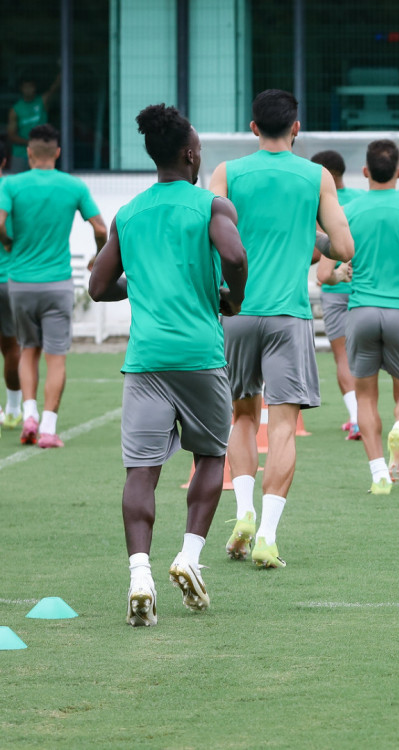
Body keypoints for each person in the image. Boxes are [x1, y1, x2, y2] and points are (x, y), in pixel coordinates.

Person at [88, 103, 248, 626]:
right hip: (200, 356)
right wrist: (232, 299)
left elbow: (97, 286)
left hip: (146, 360)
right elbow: (236, 259)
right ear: (190, 153)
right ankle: (189, 557)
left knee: (142, 470)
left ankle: (140, 576)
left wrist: (144, 284)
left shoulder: (129, 213)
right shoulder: (211, 206)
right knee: (211, 457)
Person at [209, 89, 354, 569]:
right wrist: (304, 235)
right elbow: (344, 247)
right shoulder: (317, 176)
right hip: (288, 315)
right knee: (285, 424)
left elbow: (207, 237)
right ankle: (267, 536)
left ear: (252, 128)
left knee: (243, 418)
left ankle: (243, 512)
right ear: (296, 128)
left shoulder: (226, 173)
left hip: (236, 311)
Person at [326, 140, 399, 494]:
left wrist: (342, 274)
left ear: (365, 172)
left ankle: (378, 475)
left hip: (360, 313)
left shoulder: (349, 211)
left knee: (366, 398)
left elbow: (324, 274)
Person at [0, 123, 106, 448]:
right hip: (57, 282)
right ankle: (48, 428)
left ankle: (28, 413)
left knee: (27, 350)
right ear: (57, 153)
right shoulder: (73, 185)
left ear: (28, 153)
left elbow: (0, 223)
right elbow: (101, 228)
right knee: (56, 357)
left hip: (19, 283)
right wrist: (97, 257)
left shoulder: (12, 185)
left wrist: (8, 243)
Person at [310, 149, 366, 440]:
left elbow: (317, 253)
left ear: (327, 176)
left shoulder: (320, 205)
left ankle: (357, 419)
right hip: (363, 289)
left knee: (343, 358)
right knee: (365, 358)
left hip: (335, 288)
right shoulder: (361, 198)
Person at [0, 140, 22, 429]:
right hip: (8, 280)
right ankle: (14, 409)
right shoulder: (11, 190)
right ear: (5, 161)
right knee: (12, 346)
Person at [6, 72, 61, 173]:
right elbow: (11, 135)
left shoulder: (42, 102)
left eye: (30, 87)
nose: (28, 90)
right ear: (21, 89)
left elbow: (55, 88)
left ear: (34, 88)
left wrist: (61, 68)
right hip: (20, 154)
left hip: (42, 153)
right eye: (25, 87)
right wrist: (29, 143)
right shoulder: (15, 110)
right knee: (18, 183)